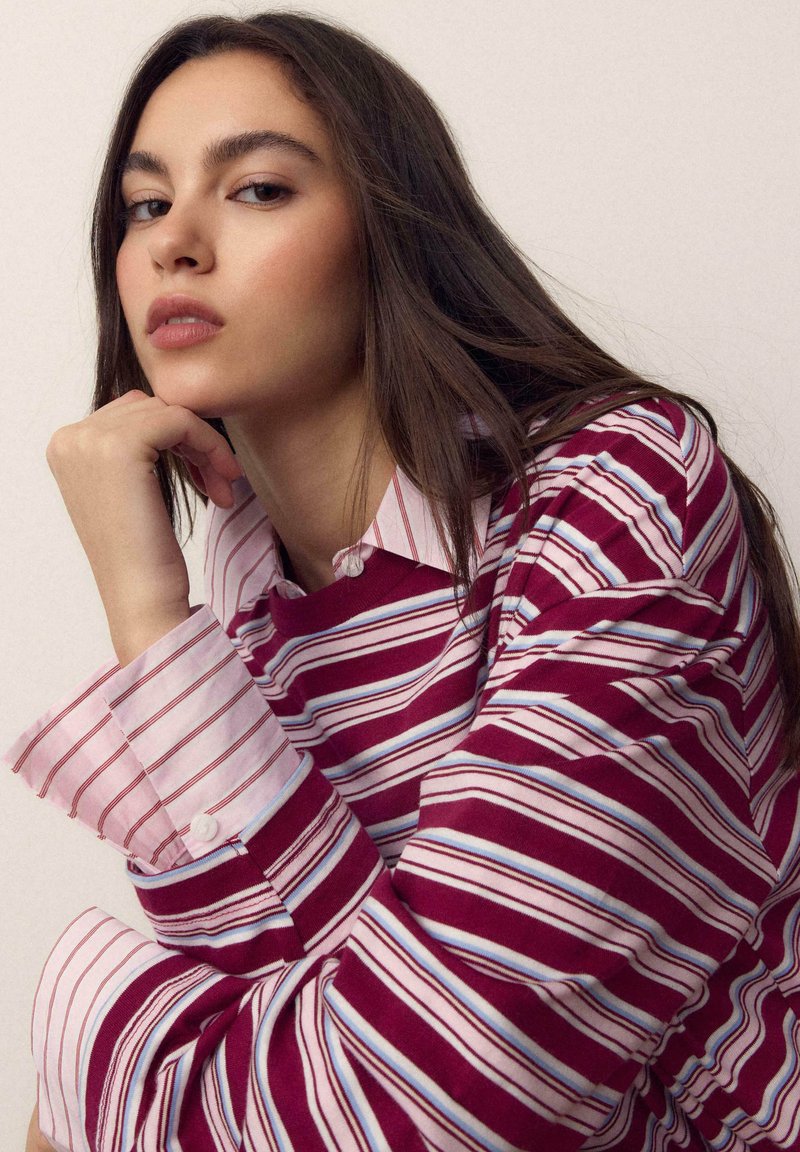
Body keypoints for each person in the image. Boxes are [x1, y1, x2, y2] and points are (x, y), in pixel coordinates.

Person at [9, 11, 800, 1152]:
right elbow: (328, 1080)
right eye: (143, 204)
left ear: (390, 233)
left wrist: (95, 1052)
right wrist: (151, 618)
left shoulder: (613, 495)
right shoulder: (235, 630)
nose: (174, 242)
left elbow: (456, 1099)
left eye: (258, 189)